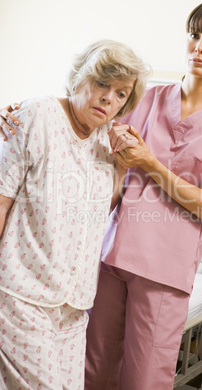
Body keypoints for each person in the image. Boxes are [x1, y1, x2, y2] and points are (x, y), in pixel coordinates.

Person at [83, 0, 202, 390]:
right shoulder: (145, 97)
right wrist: (27, 113)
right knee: (92, 371)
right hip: (112, 254)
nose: (199, 46)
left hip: (164, 271)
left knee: (143, 381)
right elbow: (90, 129)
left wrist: (149, 163)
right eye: (194, 35)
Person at [0, 39, 150, 389]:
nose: (108, 99)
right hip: (23, 297)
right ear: (80, 76)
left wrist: (121, 170)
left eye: (121, 94)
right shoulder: (36, 115)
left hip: (74, 306)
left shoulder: (107, 141)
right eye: (102, 83)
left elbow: (99, 211)